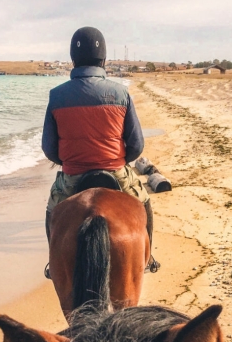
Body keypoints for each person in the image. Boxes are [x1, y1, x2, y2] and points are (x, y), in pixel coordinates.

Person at [42, 26, 159, 275]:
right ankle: (148, 258)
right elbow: (137, 144)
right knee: (144, 202)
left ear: (73, 60)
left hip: (73, 177)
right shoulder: (121, 93)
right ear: (103, 60)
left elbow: (49, 149)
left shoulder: (56, 96)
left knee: (53, 210)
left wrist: (69, 160)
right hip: (116, 172)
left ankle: (54, 264)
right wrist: (116, 160)